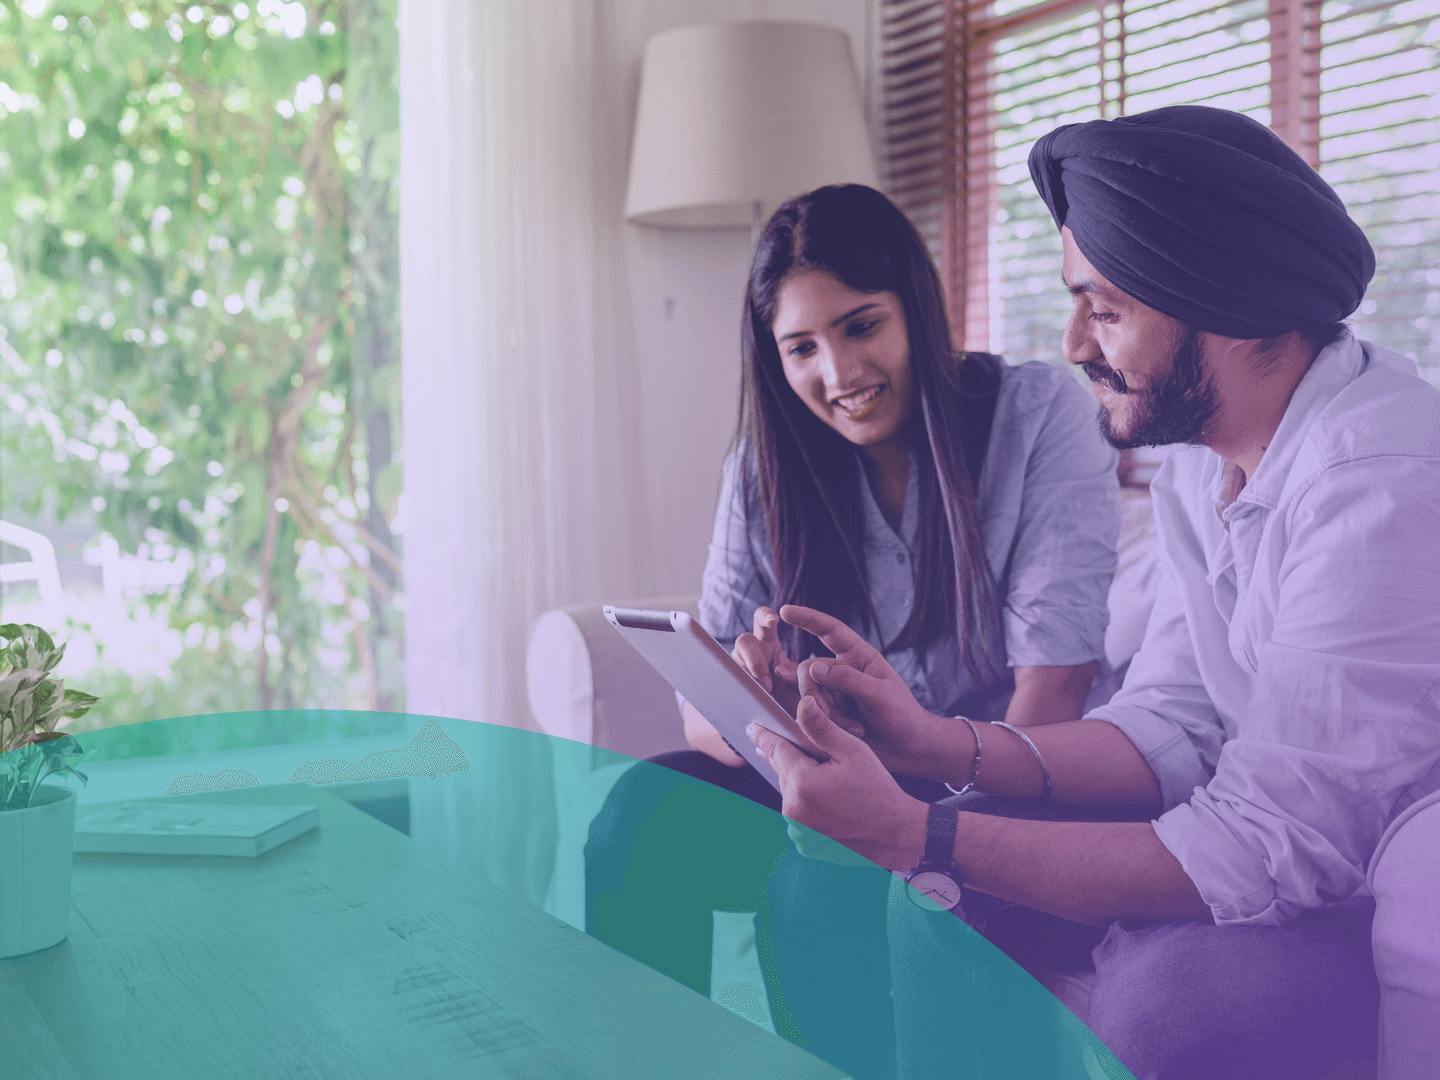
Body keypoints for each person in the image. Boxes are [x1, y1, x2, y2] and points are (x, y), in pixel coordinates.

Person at [748, 106, 1440, 1080]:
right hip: (1283, 843)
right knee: (924, 903)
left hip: (1368, 886)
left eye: (1106, 309)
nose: (1074, 339)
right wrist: (929, 739)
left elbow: (1275, 842)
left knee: (1161, 1010)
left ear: (1232, 307)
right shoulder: (1207, 463)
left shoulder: (1380, 475)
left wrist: (920, 828)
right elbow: (1173, 722)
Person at [585, 183, 1120, 1077]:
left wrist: (893, 804)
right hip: (827, 770)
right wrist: (752, 697)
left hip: (985, 776)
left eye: (860, 326)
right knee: (636, 819)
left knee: (813, 885)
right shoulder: (765, 467)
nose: (837, 375)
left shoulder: (1036, 416)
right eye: (801, 347)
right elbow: (697, 715)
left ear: (915, 305)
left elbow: (1052, 695)